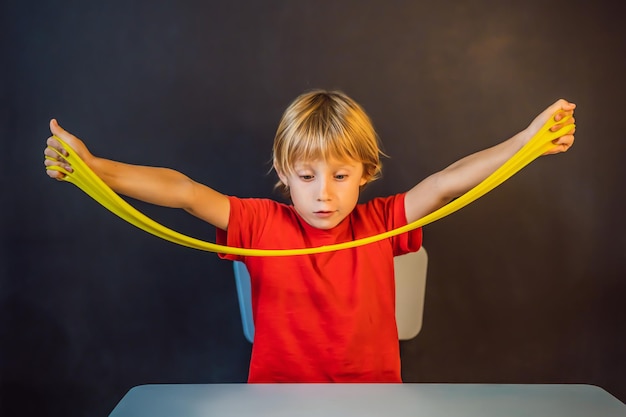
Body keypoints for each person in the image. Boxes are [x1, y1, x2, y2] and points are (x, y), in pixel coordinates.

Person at [44, 90, 576, 383]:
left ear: (366, 173)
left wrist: (524, 142)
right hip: (275, 403)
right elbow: (183, 192)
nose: (324, 194)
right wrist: (96, 168)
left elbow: (442, 185)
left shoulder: (385, 222)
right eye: (306, 176)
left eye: (340, 176)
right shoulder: (259, 225)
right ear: (283, 171)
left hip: (373, 403)